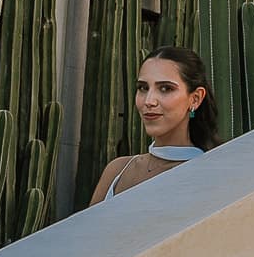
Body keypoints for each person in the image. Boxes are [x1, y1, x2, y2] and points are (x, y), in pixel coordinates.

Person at [89, 47, 220, 206]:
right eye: (143, 88)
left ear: (195, 99)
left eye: (166, 88)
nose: (149, 101)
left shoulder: (207, 176)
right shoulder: (117, 171)